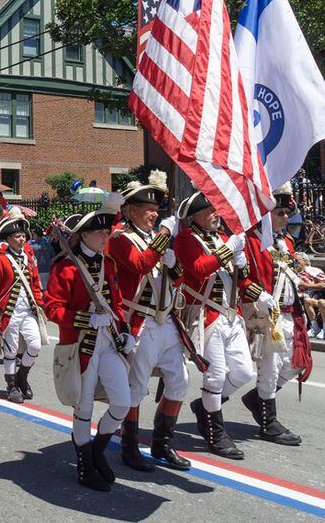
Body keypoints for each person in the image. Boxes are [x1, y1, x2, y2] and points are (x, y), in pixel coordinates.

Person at [45, 202, 135, 492]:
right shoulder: (66, 265)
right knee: (83, 408)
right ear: (83, 235)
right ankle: (85, 464)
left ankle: (97, 451)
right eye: (99, 232)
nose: (105, 236)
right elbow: (52, 308)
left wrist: (125, 329)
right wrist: (83, 319)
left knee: (122, 401)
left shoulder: (108, 263)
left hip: (108, 341)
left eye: (106, 231)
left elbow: (117, 302)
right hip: (81, 345)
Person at [105, 172, 190, 472]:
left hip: (166, 320)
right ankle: (129, 446)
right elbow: (140, 265)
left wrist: (173, 263)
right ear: (130, 211)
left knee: (180, 382)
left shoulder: (156, 239)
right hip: (139, 321)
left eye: (156, 209)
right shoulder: (119, 239)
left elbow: (180, 278)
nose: (154, 214)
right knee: (137, 387)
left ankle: (162, 443)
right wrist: (165, 237)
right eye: (147, 209)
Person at [175, 192, 254, 460]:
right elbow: (198, 268)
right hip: (205, 315)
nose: (216, 214)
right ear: (195, 215)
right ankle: (215, 432)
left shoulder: (221, 239)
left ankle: (205, 406)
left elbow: (238, 278)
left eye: (216, 209)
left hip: (231, 315)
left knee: (243, 373)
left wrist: (242, 265)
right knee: (216, 376)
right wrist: (228, 250)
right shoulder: (187, 239)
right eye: (209, 210)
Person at [239, 184, 313, 447]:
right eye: (279, 212)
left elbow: (291, 276)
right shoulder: (252, 241)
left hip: (290, 312)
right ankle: (269, 422)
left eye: (285, 213)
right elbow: (243, 278)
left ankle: (257, 400)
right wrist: (260, 296)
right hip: (266, 313)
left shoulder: (287, 242)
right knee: (269, 368)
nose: (284, 218)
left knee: (295, 364)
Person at [0, 207, 46, 404]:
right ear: (9, 238)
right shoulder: (0, 259)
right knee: (11, 351)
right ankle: (11, 385)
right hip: (8, 311)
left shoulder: (29, 259)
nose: (22, 239)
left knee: (35, 345)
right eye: (18, 236)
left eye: (23, 236)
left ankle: (22, 376)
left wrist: (39, 304)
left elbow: (35, 283)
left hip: (28, 309)